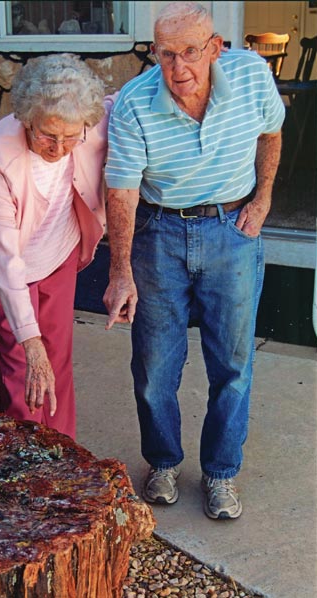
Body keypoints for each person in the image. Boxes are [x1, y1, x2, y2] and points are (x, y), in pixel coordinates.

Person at [103, 1, 285, 519]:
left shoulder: (250, 76)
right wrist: (120, 272)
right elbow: (122, 191)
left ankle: (221, 474)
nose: (178, 68)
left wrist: (264, 197)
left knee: (232, 364)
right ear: (154, 52)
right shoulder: (137, 102)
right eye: (166, 54)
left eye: (190, 52)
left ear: (215, 48)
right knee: (155, 365)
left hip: (233, 230)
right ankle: (162, 462)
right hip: (158, 234)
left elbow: (271, 133)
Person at [0, 54, 112, 439]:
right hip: (7, 270)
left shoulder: (88, 123)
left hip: (58, 256)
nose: (59, 147)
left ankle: (63, 462)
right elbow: (4, 256)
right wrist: (31, 343)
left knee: (57, 363)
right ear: (26, 119)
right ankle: (23, 474)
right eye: (47, 135)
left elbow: (134, 96)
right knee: (23, 371)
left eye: (70, 136)